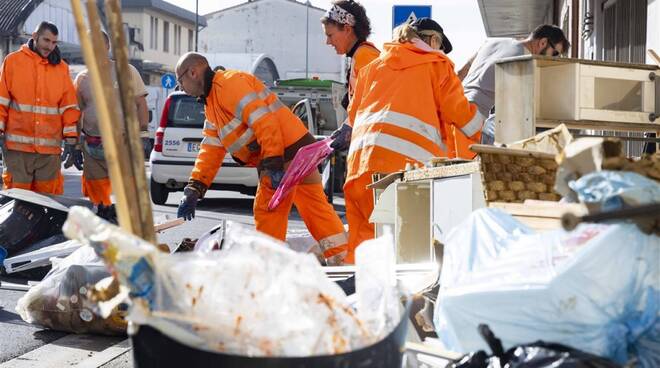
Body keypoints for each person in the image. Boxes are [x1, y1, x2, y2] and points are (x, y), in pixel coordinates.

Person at [174, 53, 349, 265]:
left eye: (180, 80)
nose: (180, 87)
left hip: (282, 155)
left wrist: (273, 164)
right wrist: (195, 187)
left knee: (268, 211)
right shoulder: (212, 104)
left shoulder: (229, 85)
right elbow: (211, 149)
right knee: (316, 210)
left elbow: (265, 123)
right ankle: (344, 260)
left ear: (193, 72)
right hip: (300, 151)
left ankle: (269, 267)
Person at [342, 18, 480, 262]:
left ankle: (356, 296)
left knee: (364, 247)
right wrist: (486, 132)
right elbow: (462, 117)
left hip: (359, 168)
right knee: (405, 251)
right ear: (434, 41)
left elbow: (353, 116)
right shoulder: (436, 64)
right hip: (403, 172)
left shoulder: (373, 67)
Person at [453, 24, 570, 158]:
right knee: (473, 171)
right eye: (554, 54)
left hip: (456, 107)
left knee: (451, 169)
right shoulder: (523, 62)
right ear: (543, 43)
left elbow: (461, 72)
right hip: (474, 119)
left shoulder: (492, 42)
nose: (552, 59)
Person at [73, 30, 149, 215]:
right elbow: (77, 114)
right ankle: (102, 225)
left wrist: (143, 136)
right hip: (93, 147)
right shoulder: (82, 79)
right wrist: (74, 145)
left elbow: (140, 104)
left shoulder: (127, 72)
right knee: (98, 199)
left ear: (107, 47)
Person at [0, 21, 80, 194]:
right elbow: (1, 101)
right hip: (17, 152)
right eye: (46, 40)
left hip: (48, 153)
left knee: (49, 203)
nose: (50, 46)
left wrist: (71, 141)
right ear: (34, 37)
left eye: (54, 42)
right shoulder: (13, 62)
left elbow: (68, 107)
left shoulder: (61, 68)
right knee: (19, 202)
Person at [320, 0, 380, 151]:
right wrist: (347, 125)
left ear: (347, 29)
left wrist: (349, 126)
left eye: (330, 35)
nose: (328, 42)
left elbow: (371, 104)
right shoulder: (361, 56)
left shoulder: (365, 57)